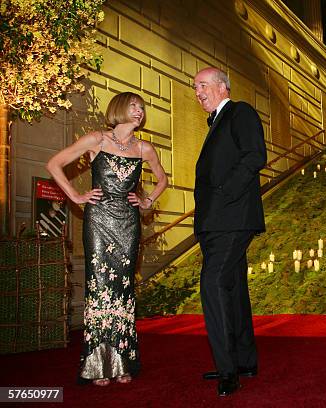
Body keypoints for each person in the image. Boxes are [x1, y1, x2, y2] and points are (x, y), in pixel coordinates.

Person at [46, 92, 168, 386]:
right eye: (133, 106)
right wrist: (76, 196)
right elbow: (54, 164)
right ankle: (98, 363)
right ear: (118, 109)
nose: (139, 111)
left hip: (128, 222)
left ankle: (122, 361)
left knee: (123, 289)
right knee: (100, 285)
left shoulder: (143, 148)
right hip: (98, 221)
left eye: (141, 107)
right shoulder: (97, 140)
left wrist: (148, 200)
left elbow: (163, 179)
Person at [192, 67, 267, 397]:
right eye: (195, 87)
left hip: (231, 218)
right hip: (216, 222)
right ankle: (244, 361)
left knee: (212, 283)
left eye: (203, 85)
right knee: (233, 287)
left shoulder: (240, 112)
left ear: (223, 87)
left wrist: (223, 197)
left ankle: (227, 371)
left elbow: (255, 156)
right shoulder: (215, 124)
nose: (197, 92)